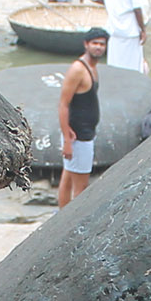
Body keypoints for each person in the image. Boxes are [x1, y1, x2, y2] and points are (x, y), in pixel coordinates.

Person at [56, 27, 105, 208]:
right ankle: (71, 223)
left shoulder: (93, 68)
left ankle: (61, 217)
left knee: (68, 175)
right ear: (86, 44)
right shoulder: (78, 69)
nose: (98, 47)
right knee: (80, 187)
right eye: (95, 43)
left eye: (102, 44)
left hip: (84, 131)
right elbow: (63, 103)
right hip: (78, 135)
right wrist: (67, 140)